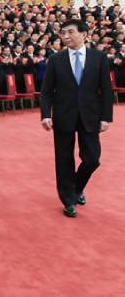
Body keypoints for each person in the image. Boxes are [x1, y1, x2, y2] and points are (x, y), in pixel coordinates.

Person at [40, 19, 113, 218]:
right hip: (63, 114)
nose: (65, 36)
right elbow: (46, 91)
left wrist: (106, 117)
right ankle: (68, 200)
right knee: (64, 159)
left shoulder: (99, 58)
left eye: (70, 32)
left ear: (84, 34)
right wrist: (45, 114)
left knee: (92, 159)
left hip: (90, 115)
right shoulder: (56, 59)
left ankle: (76, 187)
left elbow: (106, 90)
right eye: (63, 32)